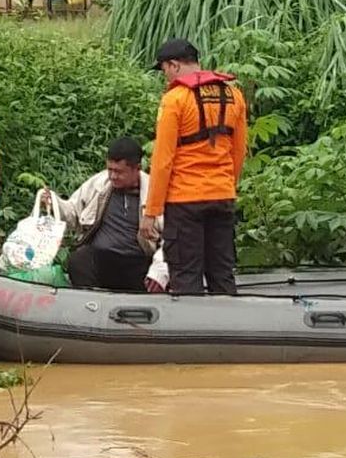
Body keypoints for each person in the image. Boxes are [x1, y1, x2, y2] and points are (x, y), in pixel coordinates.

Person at [139, 38, 248, 296]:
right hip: (222, 196)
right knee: (222, 273)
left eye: (164, 69)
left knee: (186, 276)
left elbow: (163, 160)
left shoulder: (175, 99)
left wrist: (151, 212)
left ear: (174, 65)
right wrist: (226, 185)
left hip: (185, 202)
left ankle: (190, 333)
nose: (165, 76)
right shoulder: (234, 95)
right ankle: (230, 332)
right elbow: (239, 151)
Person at [42, 136, 157, 292]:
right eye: (110, 169)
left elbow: (169, 241)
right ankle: (90, 303)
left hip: (137, 262)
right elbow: (73, 212)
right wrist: (54, 202)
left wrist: (160, 271)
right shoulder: (100, 183)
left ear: (136, 169)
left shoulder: (154, 193)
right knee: (79, 259)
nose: (113, 176)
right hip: (101, 258)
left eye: (119, 172)